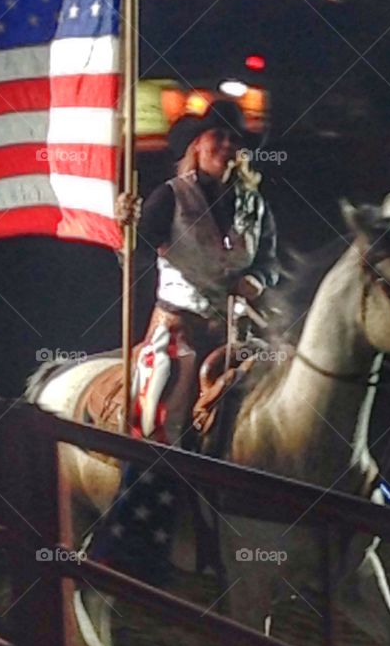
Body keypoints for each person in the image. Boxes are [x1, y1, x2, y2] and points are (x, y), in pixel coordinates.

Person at [116, 99, 279, 447]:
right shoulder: (171, 196)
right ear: (197, 143)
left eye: (233, 139)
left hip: (235, 330)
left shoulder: (255, 204)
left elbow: (269, 260)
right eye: (217, 136)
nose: (226, 145)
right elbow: (137, 252)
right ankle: (147, 475)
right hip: (178, 327)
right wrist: (126, 228)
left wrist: (259, 279)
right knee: (163, 410)